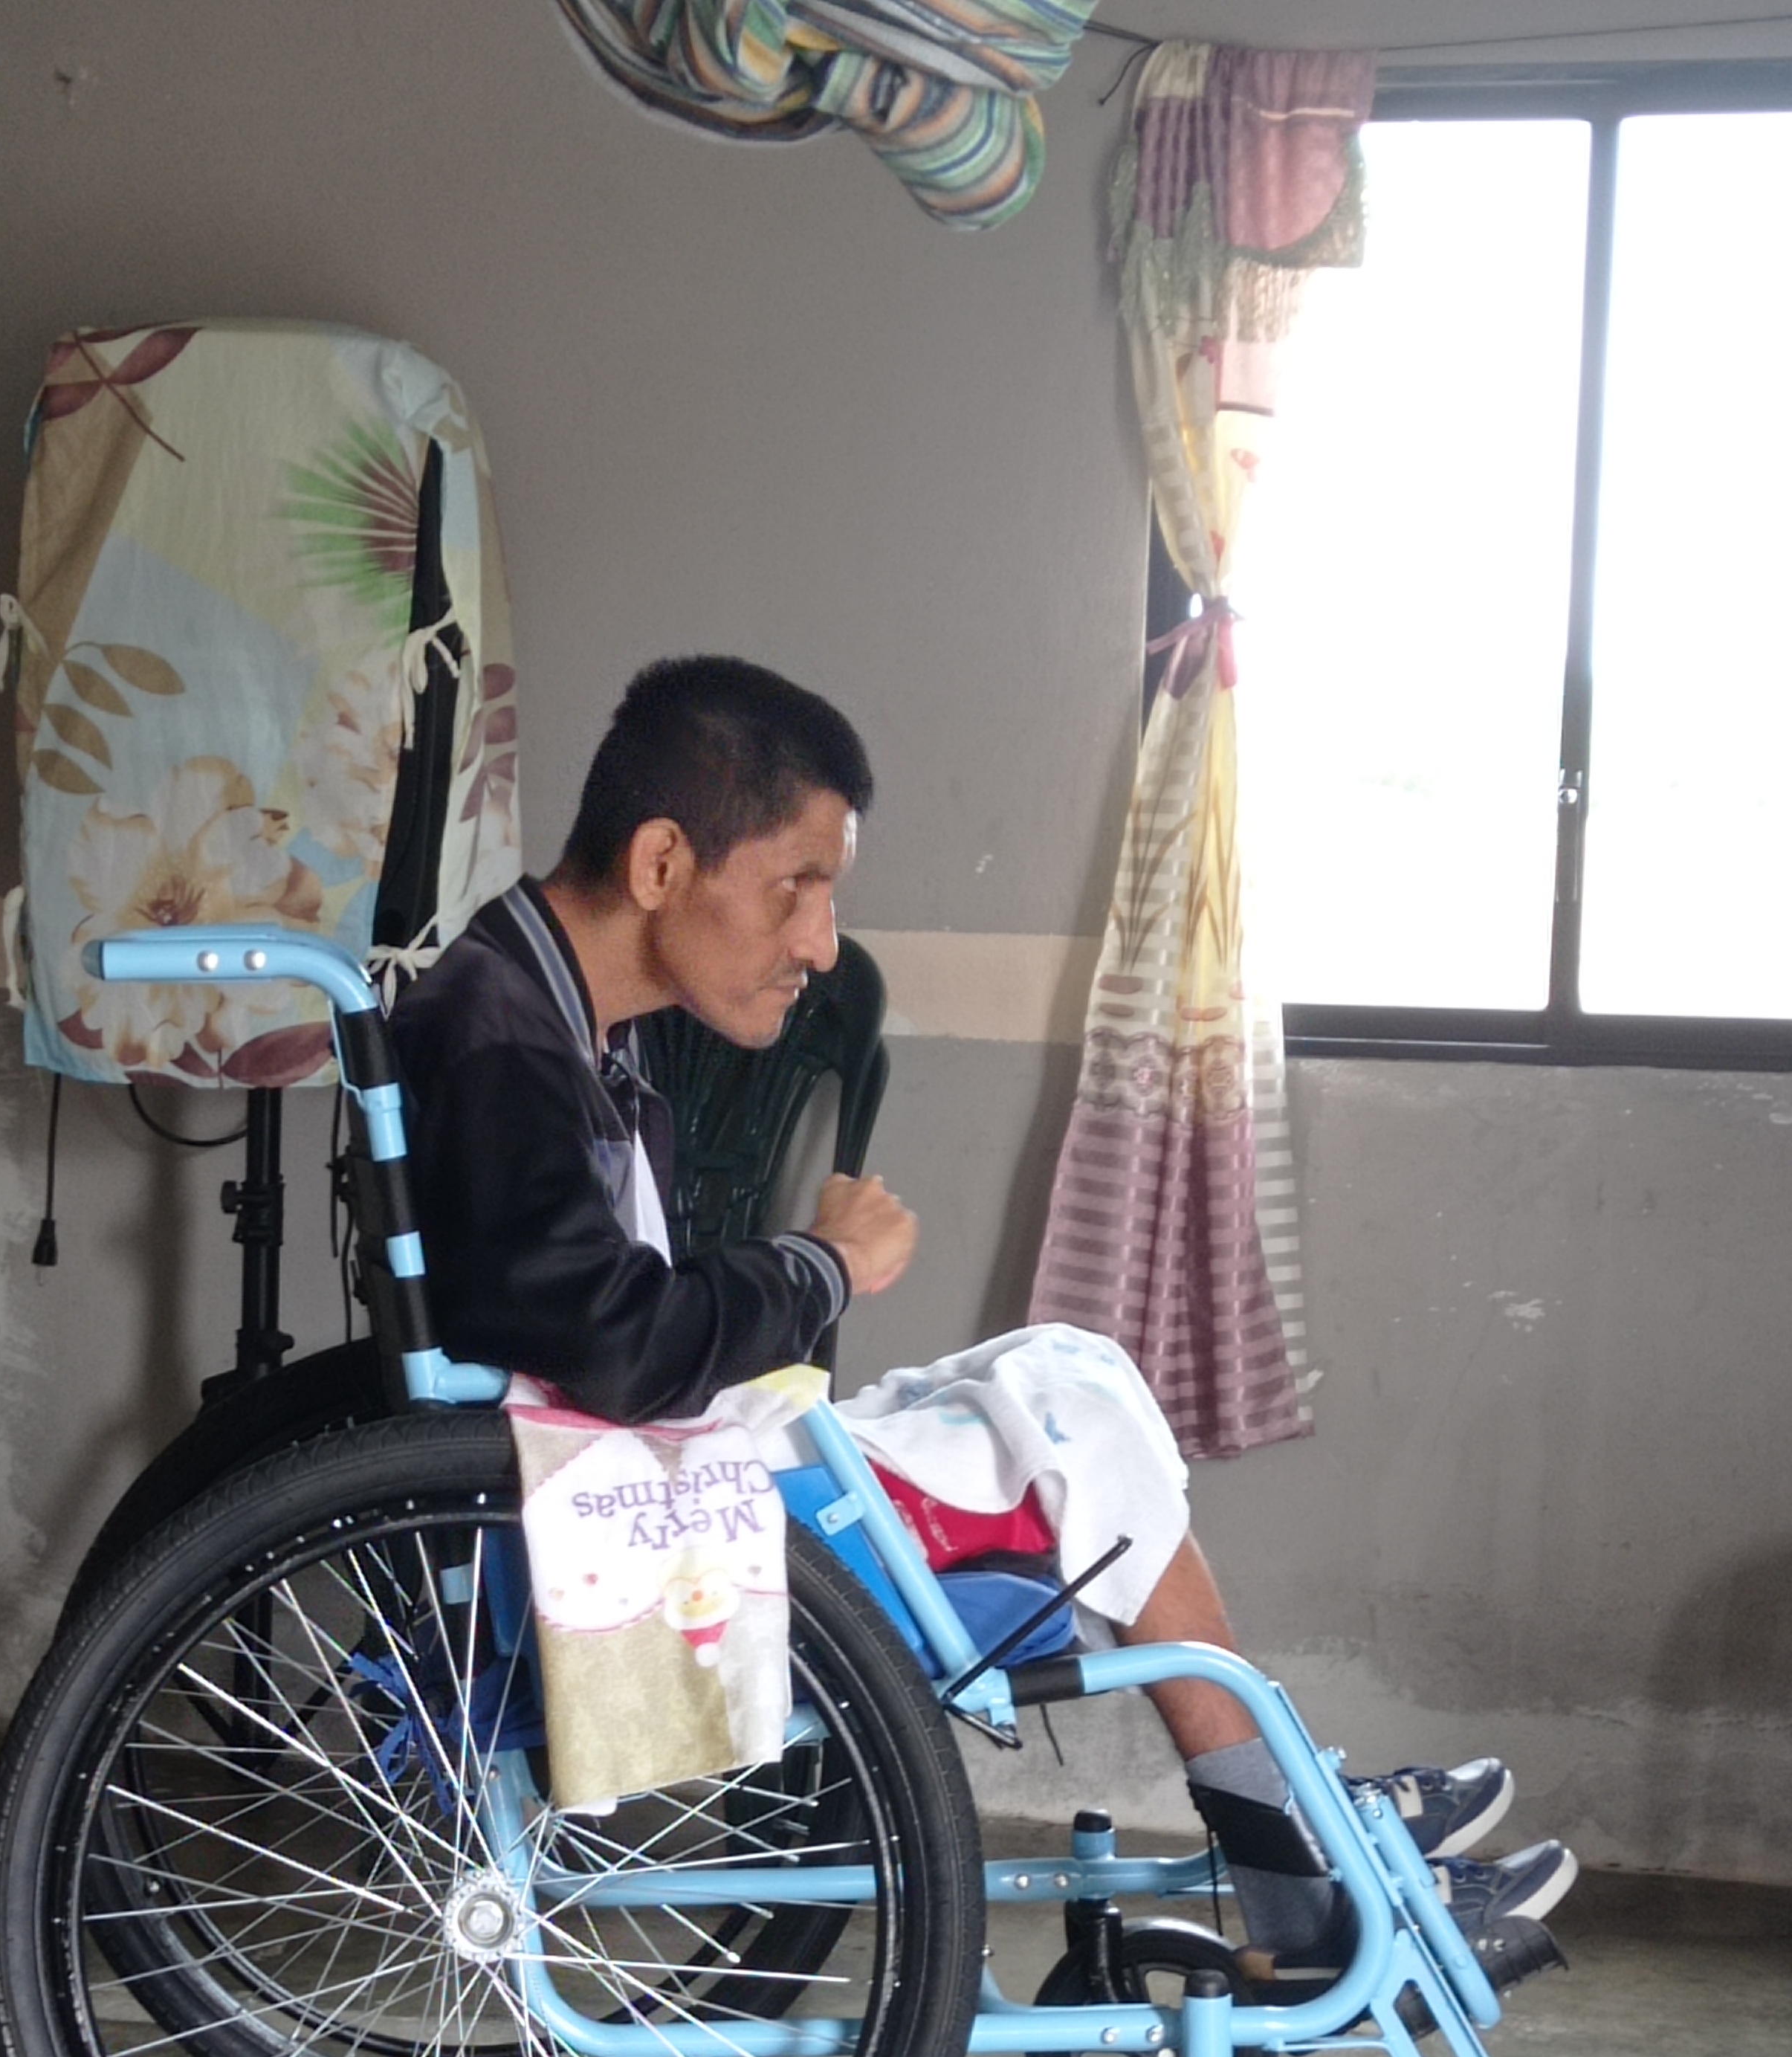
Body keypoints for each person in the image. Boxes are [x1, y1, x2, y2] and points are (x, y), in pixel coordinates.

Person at [392, 657, 1571, 1989]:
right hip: (614, 1507)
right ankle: (1292, 1854)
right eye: (798, 887)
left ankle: (1288, 1819)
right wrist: (822, 1264)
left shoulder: (544, 1010)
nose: (819, 943)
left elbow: (588, 1321)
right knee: (1069, 1411)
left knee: (1067, 1367)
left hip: (634, 1461)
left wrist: (802, 1277)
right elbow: (618, 1347)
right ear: (663, 862)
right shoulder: (507, 1040)